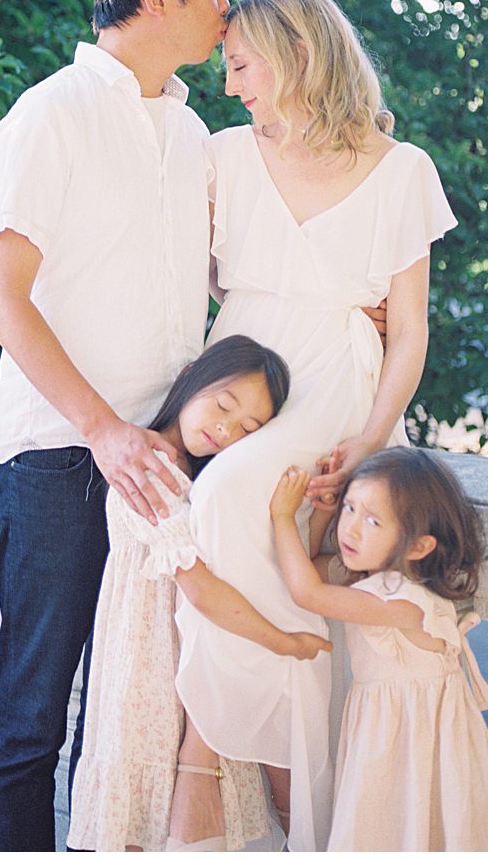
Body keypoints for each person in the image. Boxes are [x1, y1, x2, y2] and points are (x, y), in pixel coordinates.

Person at [173, 0, 457, 851]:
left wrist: (367, 443)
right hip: (250, 372)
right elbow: (208, 281)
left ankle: (233, 782)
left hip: (341, 388)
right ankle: (246, 773)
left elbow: (407, 334)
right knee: (223, 505)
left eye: (243, 64)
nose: (231, 85)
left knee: (246, 510)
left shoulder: (402, 170)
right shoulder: (223, 154)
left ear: (299, 56)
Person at [0, 0, 229, 852]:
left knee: (125, 728)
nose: (225, 7)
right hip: (57, 459)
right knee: (32, 721)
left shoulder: (197, 131)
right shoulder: (49, 115)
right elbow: (1, 299)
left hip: (164, 465)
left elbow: (230, 278)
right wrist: (101, 431)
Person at [67, 335, 332, 854]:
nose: (224, 429)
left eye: (246, 429)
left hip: (191, 655)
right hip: (148, 662)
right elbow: (199, 587)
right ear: (191, 376)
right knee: (144, 815)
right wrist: (281, 641)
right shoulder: (146, 465)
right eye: (223, 405)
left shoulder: (206, 482)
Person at [270, 449, 488, 852]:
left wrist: (283, 517)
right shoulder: (368, 575)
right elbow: (312, 565)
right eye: (350, 508)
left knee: (409, 823)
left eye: (372, 520)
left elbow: (306, 591)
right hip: (389, 730)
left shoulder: (404, 601)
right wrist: (322, 514)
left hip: (414, 740)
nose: (351, 530)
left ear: (419, 546)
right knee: (386, 822)